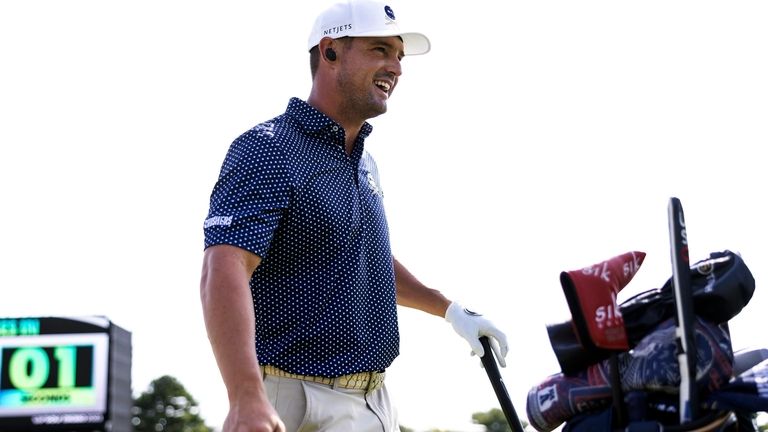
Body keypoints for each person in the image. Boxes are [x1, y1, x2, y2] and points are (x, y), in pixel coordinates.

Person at [199, 1, 510, 431]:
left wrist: (450, 310)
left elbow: (365, 262)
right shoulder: (267, 148)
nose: (395, 67)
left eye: (399, 56)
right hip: (293, 403)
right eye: (380, 49)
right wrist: (245, 395)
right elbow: (224, 268)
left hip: (373, 401)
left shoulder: (365, 163)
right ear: (329, 52)